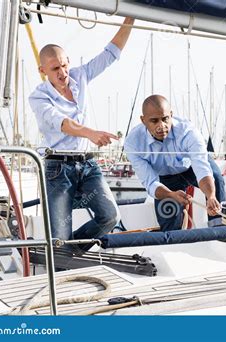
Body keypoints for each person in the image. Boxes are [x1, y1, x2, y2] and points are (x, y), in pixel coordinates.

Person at [29, 17, 135, 254]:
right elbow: (63, 124)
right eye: (55, 68)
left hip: (87, 164)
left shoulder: (80, 76)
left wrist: (131, 15)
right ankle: (63, 252)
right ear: (42, 70)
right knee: (59, 236)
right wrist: (91, 133)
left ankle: (69, 252)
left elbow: (111, 53)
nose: (63, 72)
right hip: (57, 168)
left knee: (110, 216)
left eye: (65, 65)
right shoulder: (38, 97)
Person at [124, 95, 226, 231]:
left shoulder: (188, 132)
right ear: (143, 120)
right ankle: (174, 245)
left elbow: (202, 169)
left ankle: (220, 230)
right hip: (165, 180)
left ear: (171, 115)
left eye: (165, 119)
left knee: (216, 178)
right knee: (169, 224)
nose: (161, 126)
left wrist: (211, 196)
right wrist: (170, 194)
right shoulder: (133, 142)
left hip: (191, 169)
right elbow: (150, 183)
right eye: (154, 121)